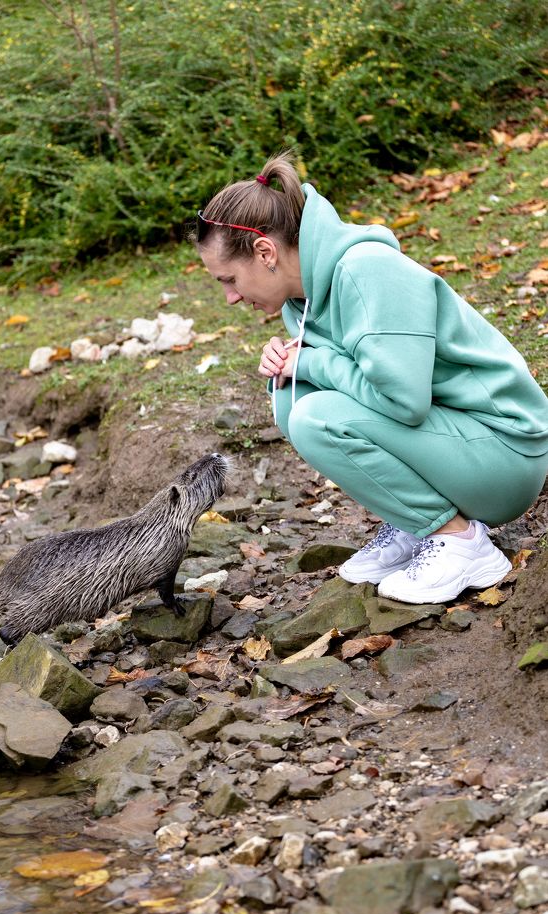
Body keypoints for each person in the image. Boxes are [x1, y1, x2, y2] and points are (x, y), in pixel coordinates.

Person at [195, 152, 548, 604]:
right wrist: (290, 363)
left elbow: (404, 403)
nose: (229, 297)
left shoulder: (368, 271)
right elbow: (345, 373)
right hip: (462, 443)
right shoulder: (300, 301)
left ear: (264, 252)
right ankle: (415, 522)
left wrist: (312, 361)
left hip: (507, 455)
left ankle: (459, 542)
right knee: (292, 399)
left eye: (228, 279)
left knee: (316, 417)